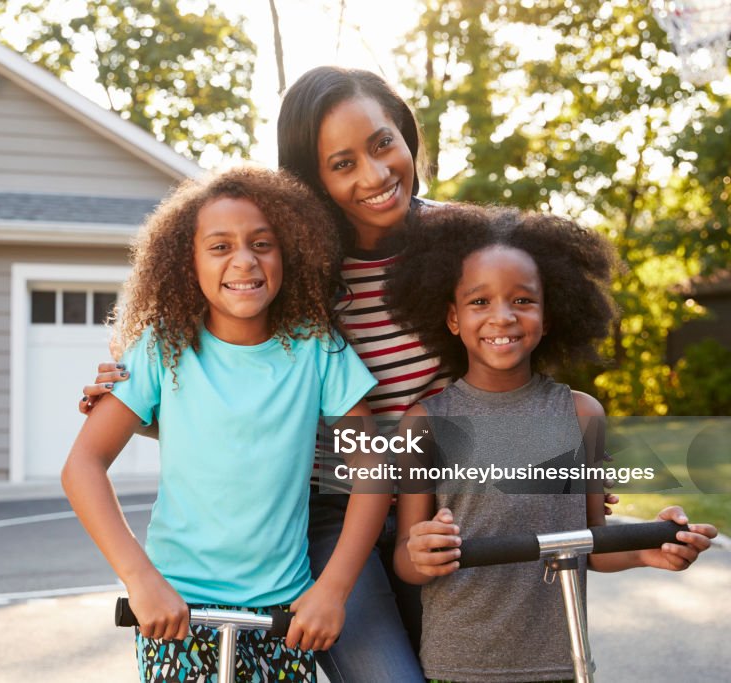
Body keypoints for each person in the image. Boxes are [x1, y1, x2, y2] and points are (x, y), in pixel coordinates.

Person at [80, 66, 622, 681]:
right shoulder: (296, 263)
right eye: (341, 164)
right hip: (335, 515)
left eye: (382, 143)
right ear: (311, 178)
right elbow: (238, 381)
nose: (374, 174)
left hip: (456, 503)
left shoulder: (467, 246)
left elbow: (514, 362)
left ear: (405, 134)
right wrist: (138, 405)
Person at [62, 166, 395, 683]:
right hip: (178, 611)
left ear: (288, 253)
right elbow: (82, 466)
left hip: (284, 616)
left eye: (262, 243)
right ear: (186, 263)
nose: (245, 260)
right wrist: (141, 579)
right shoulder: (161, 348)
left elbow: (374, 470)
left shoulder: (318, 348)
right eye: (220, 247)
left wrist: (333, 589)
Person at [388, 203, 718, 682]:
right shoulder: (424, 423)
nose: (502, 317)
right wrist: (420, 553)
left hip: (564, 662)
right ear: (453, 318)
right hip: (457, 665)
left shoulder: (582, 415)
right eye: (480, 302)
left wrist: (649, 548)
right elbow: (404, 558)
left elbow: (592, 544)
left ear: (548, 314)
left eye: (522, 300)